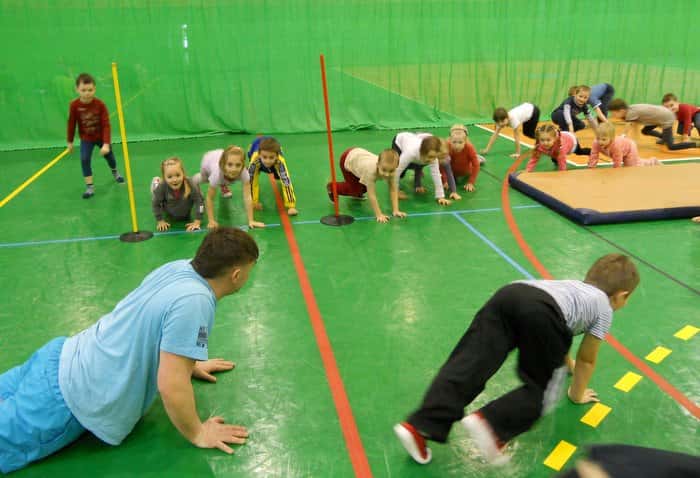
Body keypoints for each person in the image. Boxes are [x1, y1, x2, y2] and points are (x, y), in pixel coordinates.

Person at [0, 228, 259, 474]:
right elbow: (170, 385)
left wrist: (187, 360)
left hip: (60, 357)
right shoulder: (196, 302)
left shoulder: (180, 268)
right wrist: (198, 433)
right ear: (236, 275)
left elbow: (156, 324)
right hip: (69, 397)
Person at [394, 254, 639, 466]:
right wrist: (577, 394)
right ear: (622, 295)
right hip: (543, 312)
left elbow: (558, 335)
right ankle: (492, 426)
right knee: (543, 390)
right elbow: (586, 358)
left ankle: (422, 426)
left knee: (469, 365)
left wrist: (567, 365)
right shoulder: (604, 308)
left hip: (509, 295)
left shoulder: (573, 287)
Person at [66, 73, 124, 199]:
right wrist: (70, 142)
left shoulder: (100, 105)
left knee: (110, 157)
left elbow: (106, 125)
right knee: (84, 159)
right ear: (77, 90)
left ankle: (115, 172)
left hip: (101, 137)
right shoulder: (74, 106)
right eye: (83, 90)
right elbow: (71, 124)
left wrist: (106, 144)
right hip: (86, 138)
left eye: (90, 90)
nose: (87, 93)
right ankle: (90, 187)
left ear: (95, 89)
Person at [191, 146, 264, 230]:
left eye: (238, 165)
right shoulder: (216, 174)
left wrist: (251, 220)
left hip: (222, 156)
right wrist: (211, 220)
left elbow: (247, 197)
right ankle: (194, 180)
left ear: (243, 165)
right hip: (208, 159)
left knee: (224, 179)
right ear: (223, 164)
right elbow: (210, 198)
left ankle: (223, 184)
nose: (234, 169)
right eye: (230, 165)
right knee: (205, 179)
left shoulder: (244, 173)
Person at [326, 147, 407, 223]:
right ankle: (332, 187)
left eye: (391, 171)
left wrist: (396, 210)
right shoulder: (370, 171)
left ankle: (357, 190)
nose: (387, 174)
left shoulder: (391, 168)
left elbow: (393, 190)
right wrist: (379, 214)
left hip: (358, 157)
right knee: (355, 190)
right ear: (378, 164)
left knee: (364, 187)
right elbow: (372, 194)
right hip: (347, 159)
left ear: (396, 167)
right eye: (384, 170)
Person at [608, 99, 700, 150]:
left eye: (614, 113)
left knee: (671, 146)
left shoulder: (630, 113)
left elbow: (628, 126)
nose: (613, 115)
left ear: (621, 110)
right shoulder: (630, 110)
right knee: (645, 131)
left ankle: (696, 144)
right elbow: (635, 126)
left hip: (666, 118)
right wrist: (635, 141)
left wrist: (622, 136)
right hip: (658, 118)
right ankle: (665, 137)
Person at [391, 132, 452, 206]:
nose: (432, 160)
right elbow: (396, 171)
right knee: (400, 173)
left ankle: (416, 180)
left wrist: (440, 197)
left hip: (414, 143)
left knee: (421, 163)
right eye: (430, 157)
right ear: (422, 152)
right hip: (399, 142)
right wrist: (396, 191)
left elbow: (436, 174)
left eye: (434, 157)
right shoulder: (410, 153)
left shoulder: (432, 157)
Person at [247, 136, 298, 216]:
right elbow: (251, 182)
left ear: (277, 156)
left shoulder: (279, 161)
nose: (267, 161)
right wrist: (253, 202)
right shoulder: (255, 160)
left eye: (271, 157)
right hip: (255, 155)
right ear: (259, 155)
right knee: (251, 176)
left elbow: (286, 182)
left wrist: (291, 206)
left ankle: (276, 173)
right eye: (265, 157)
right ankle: (256, 169)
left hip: (275, 164)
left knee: (282, 176)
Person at [150, 157, 204, 232]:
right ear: (164, 177)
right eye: (169, 177)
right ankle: (156, 183)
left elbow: (200, 202)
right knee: (156, 194)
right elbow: (155, 204)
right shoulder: (162, 186)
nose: (174, 180)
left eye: (178, 175)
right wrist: (160, 220)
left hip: (184, 211)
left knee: (200, 195)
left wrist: (197, 221)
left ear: (183, 174)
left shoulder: (190, 184)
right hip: (167, 208)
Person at [587, 123, 660, 168]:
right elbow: (594, 155)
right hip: (622, 150)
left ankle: (652, 161)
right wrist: (591, 166)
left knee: (632, 166)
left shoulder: (615, 146)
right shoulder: (596, 143)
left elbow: (617, 159)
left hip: (630, 148)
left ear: (611, 138)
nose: (600, 141)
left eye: (603, 139)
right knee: (630, 164)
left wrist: (616, 170)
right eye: (598, 138)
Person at [523, 124, 590, 172]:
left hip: (571, 141)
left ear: (554, 139)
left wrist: (562, 173)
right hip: (555, 147)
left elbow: (562, 162)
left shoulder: (561, 148)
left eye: (548, 140)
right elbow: (534, 158)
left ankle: (591, 152)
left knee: (579, 152)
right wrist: (528, 170)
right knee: (554, 156)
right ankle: (554, 158)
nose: (545, 143)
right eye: (542, 140)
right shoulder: (539, 146)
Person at [442, 125, 483, 193]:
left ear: (465, 141)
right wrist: (444, 180)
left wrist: (471, 182)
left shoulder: (469, 147)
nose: (457, 146)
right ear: (450, 140)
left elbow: (476, 165)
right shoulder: (446, 146)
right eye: (454, 142)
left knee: (477, 159)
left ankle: (479, 158)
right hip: (452, 172)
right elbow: (441, 165)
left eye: (460, 142)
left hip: (466, 170)